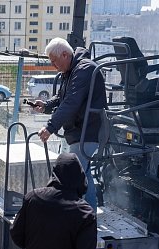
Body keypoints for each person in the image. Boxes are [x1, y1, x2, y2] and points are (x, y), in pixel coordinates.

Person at [34, 37, 107, 213]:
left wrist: (50, 127)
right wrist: (47, 105)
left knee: (80, 173)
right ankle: (83, 212)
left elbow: (72, 101)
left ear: (65, 55)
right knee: (79, 172)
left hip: (88, 130)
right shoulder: (72, 70)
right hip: (78, 129)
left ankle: (88, 215)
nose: (53, 66)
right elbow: (62, 97)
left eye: (54, 61)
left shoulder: (84, 69)